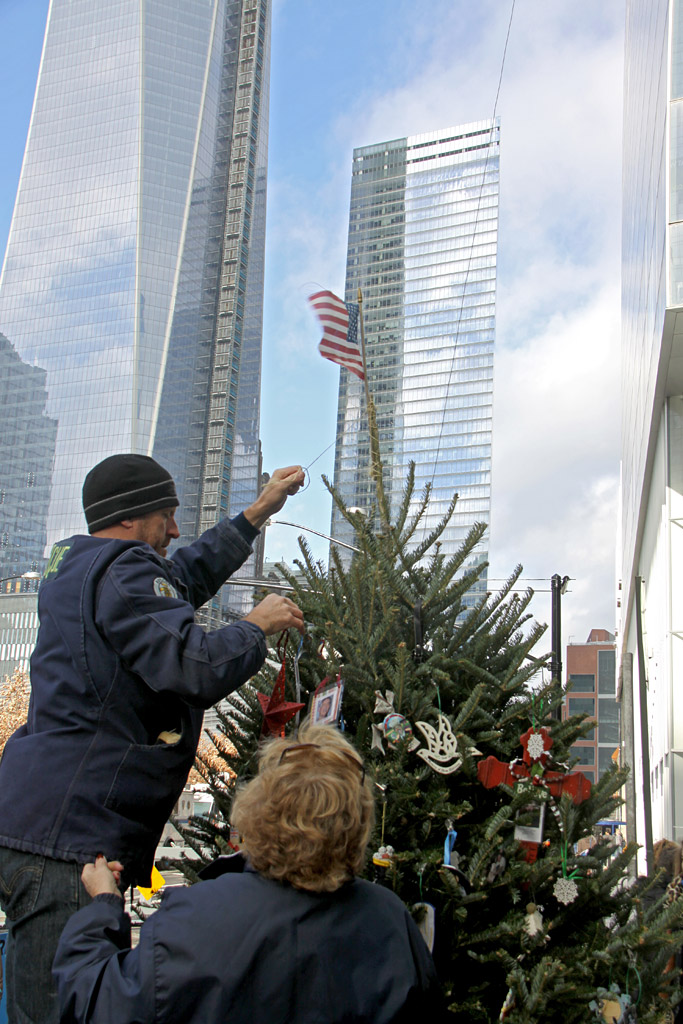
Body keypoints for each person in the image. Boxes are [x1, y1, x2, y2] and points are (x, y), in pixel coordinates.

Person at [0, 453, 304, 1024]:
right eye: (165, 515)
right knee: (62, 1012)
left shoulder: (88, 568)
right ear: (128, 518)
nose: (174, 529)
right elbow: (193, 665)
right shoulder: (123, 572)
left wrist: (257, 511)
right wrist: (254, 626)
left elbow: (182, 577)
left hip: (47, 828)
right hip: (69, 843)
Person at [54, 724, 443, 1024]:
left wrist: (104, 905)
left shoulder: (198, 918)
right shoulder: (390, 920)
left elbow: (94, 1001)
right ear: (357, 824)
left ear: (260, 808)